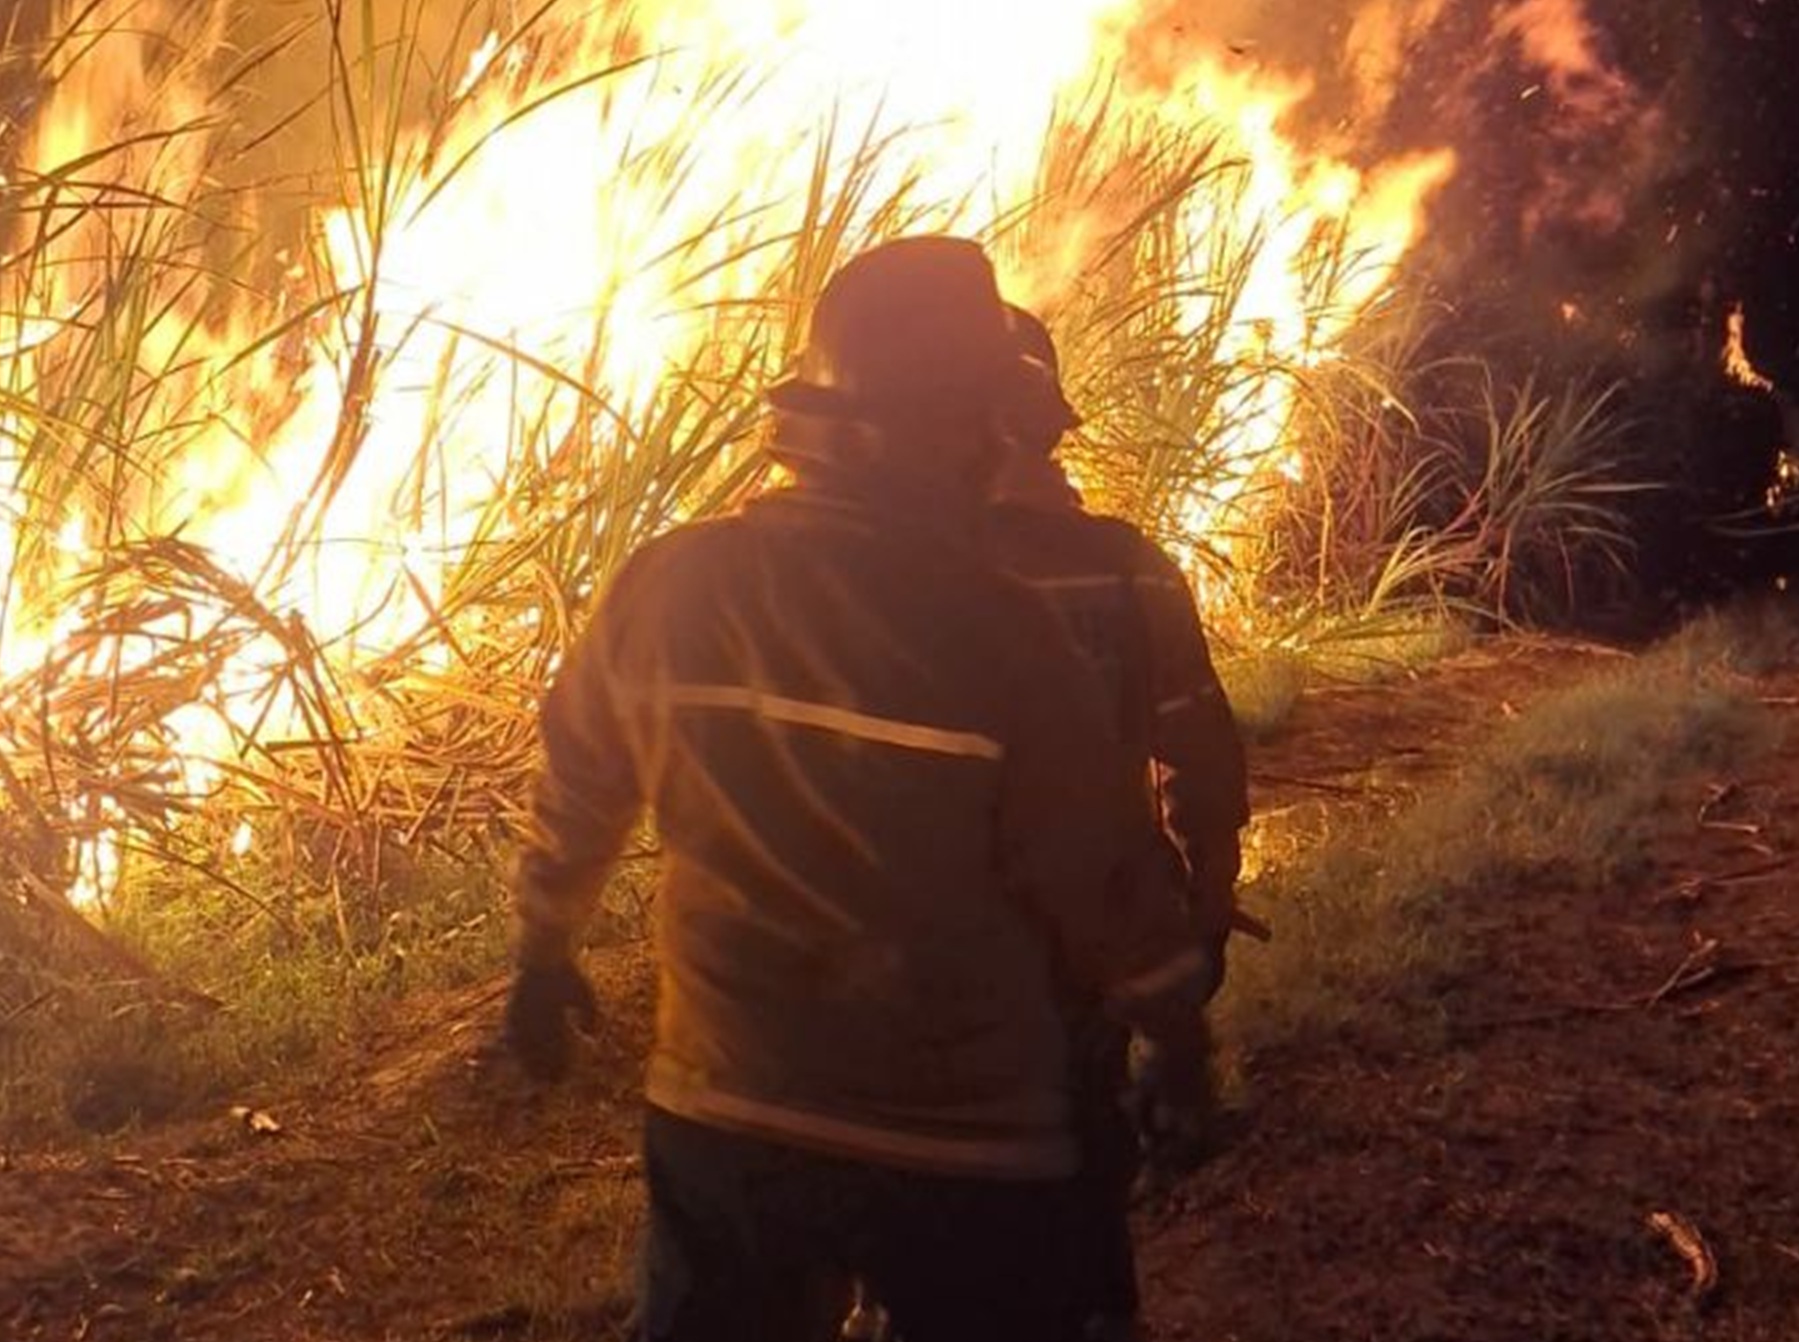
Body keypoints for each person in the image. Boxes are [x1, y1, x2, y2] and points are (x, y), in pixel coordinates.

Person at [500, 236, 1221, 1342]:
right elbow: (1101, 876)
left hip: (729, 1112)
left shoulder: (672, 584)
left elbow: (579, 785)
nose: (996, 450)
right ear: (950, 433)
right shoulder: (1007, 635)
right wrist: (1175, 1033)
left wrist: (543, 948)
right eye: (982, 421)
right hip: (963, 1145)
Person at [981, 306, 1257, 1341]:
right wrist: (1203, 908)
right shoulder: (1127, 566)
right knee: (1083, 1167)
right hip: (1092, 946)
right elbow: (1198, 748)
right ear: (1051, 424)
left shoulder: (896, 580)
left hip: (929, 963)